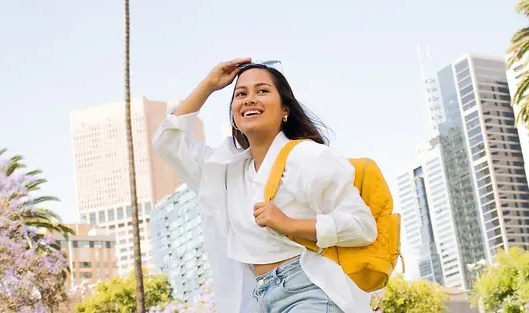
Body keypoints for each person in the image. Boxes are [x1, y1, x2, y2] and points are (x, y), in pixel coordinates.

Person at [152, 57, 378, 313]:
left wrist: (290, 225)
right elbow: (167, 142)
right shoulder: (226, 172)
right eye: (241, 94)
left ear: (285, 110)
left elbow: (362, 226)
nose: (250, 99)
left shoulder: (308, 157)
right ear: (235, 117)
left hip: (311, 290)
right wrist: (209, 84)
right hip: (258, 299)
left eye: (262, 91)